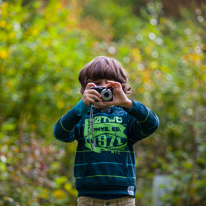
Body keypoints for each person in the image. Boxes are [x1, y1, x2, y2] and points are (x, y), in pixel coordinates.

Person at [53, 56, 159, 206]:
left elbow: (152, 124)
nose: (103, 88)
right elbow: (60, 133)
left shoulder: (127, 117)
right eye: (97, 84)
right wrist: (81, 107)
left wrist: (128, 104)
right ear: (86, 89)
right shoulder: (81, 117)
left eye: (109, 84)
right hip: (88, 197)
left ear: (121, 87)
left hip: (123, 197)